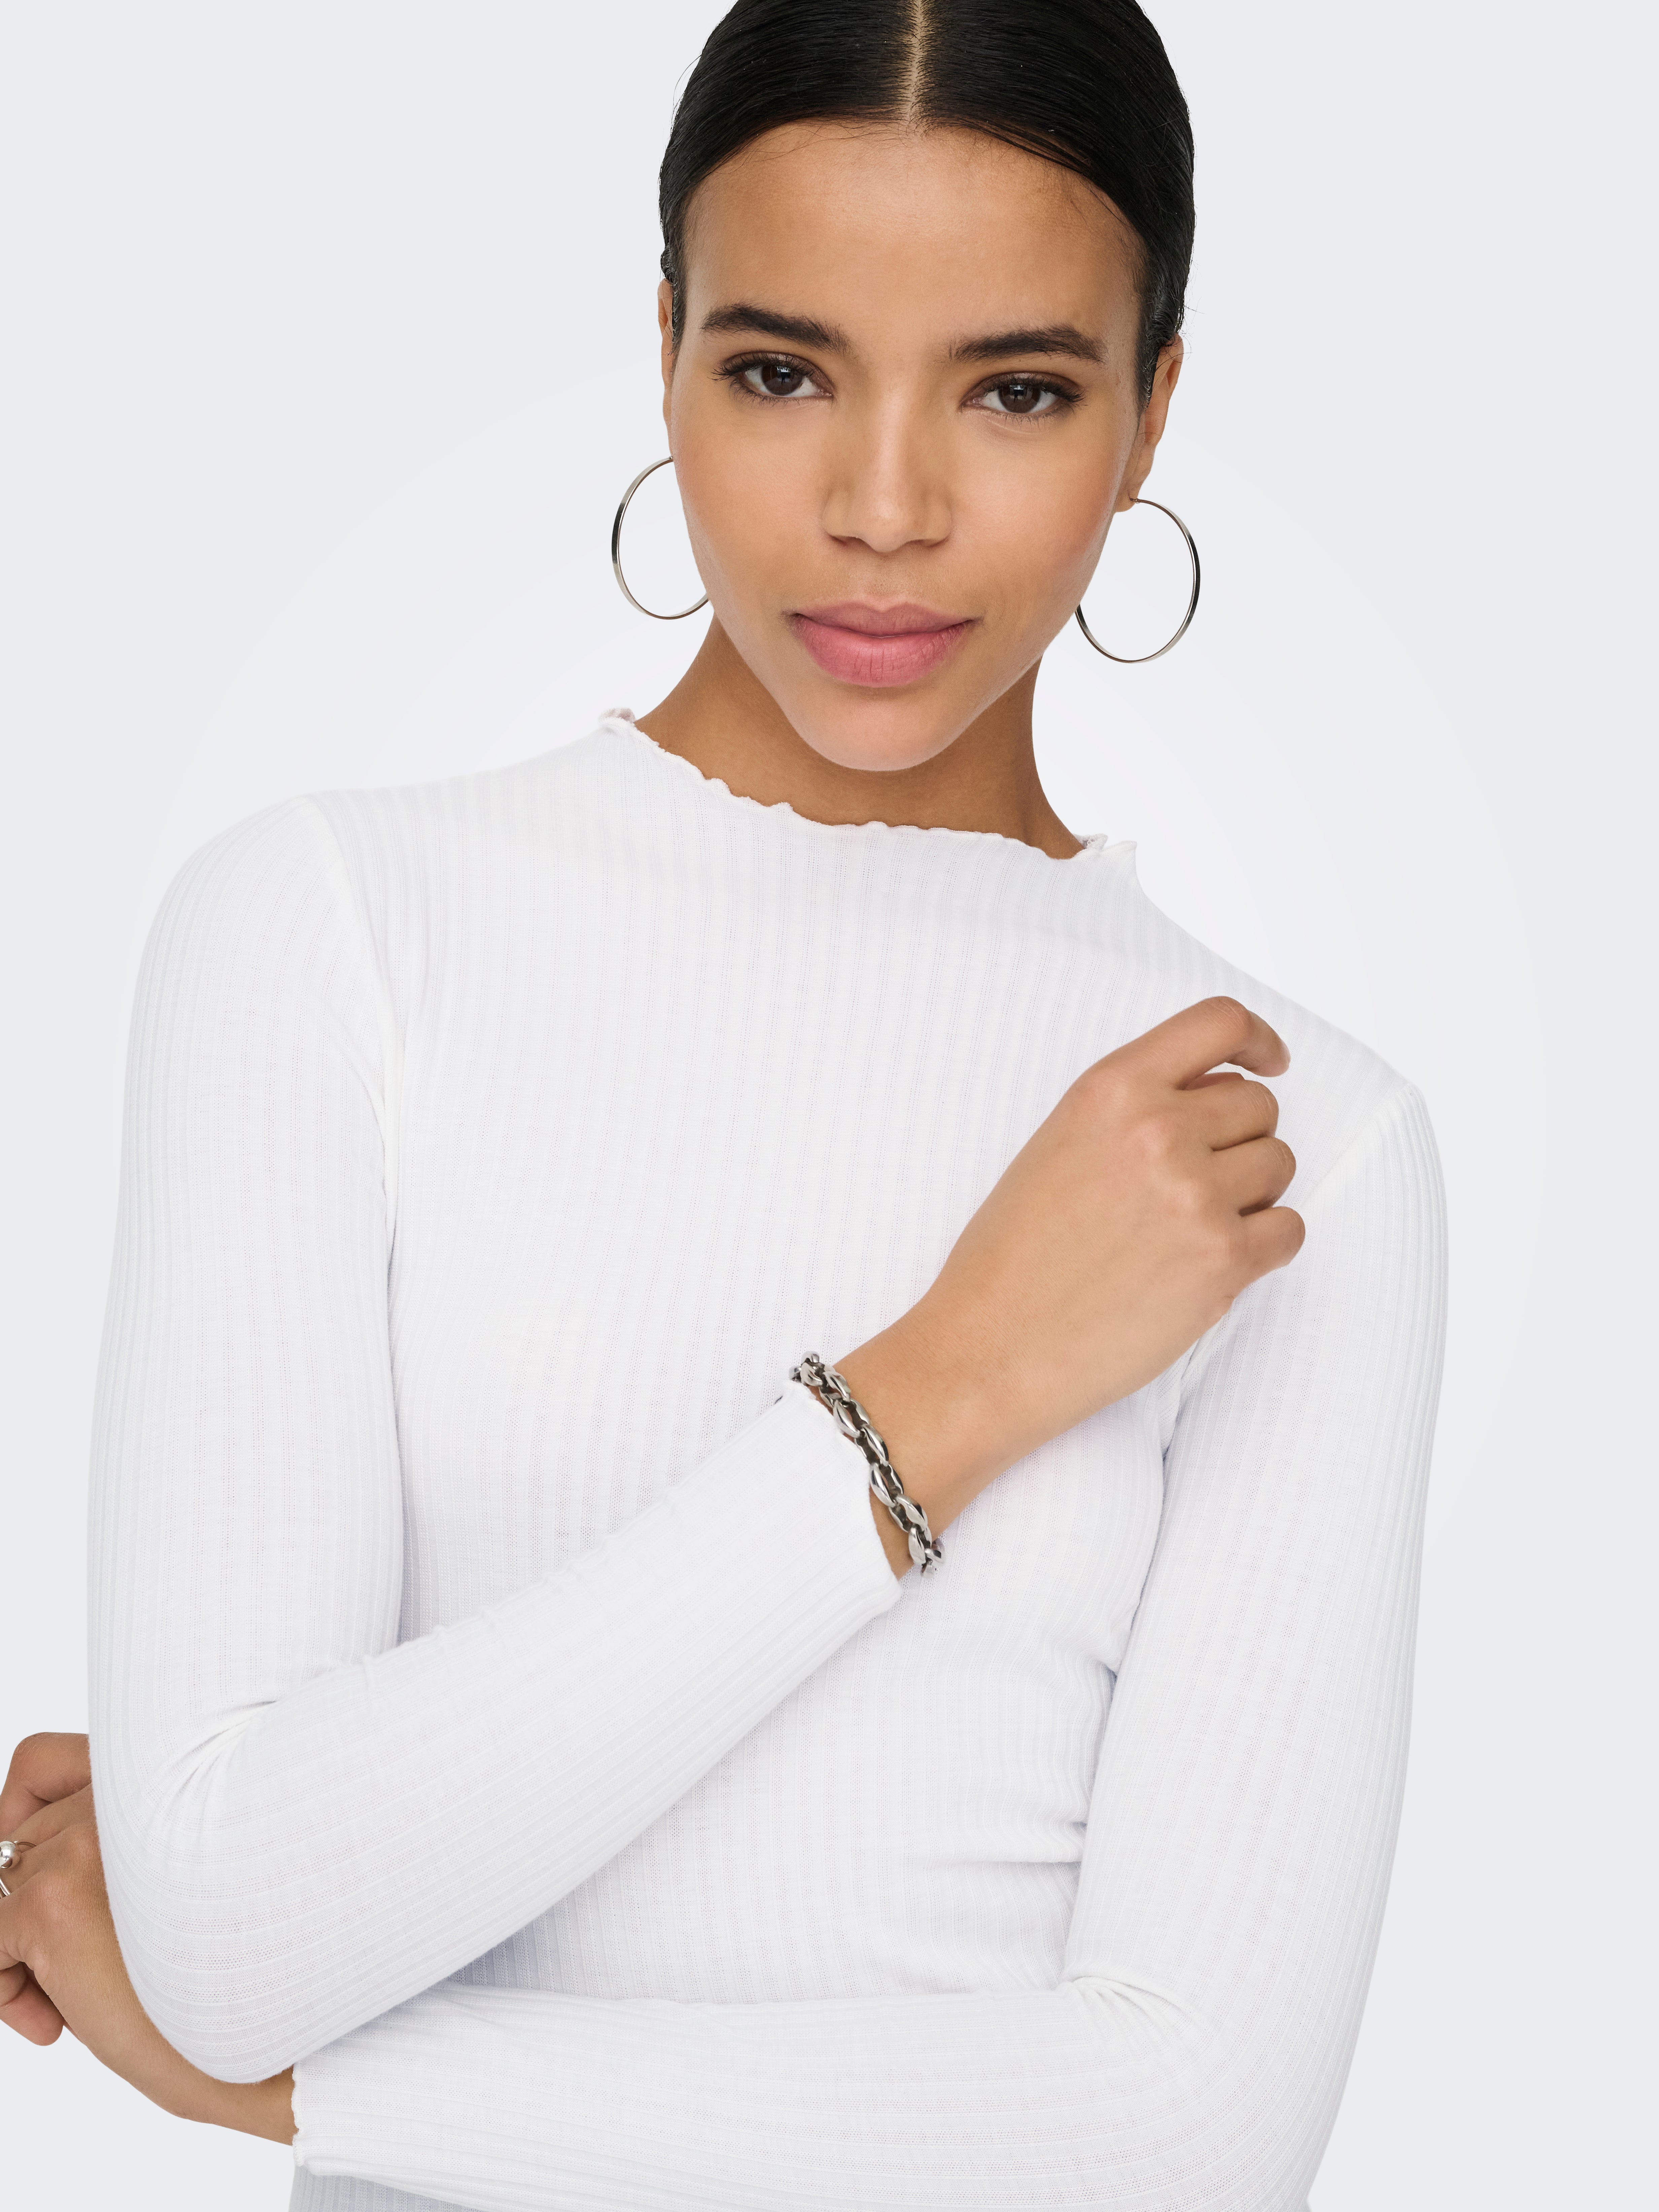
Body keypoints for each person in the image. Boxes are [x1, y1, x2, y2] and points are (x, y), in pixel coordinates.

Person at [0, 1, 1447, 2205]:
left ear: (1154, 406)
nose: (884, 509)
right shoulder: (337, 937)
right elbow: (227, 1926)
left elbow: (1188, 2134)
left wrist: (298, 2090)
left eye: (1017, 389)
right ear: (664, 345)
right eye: (783, 372)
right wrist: (941, 1393)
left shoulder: (1287, 1147)